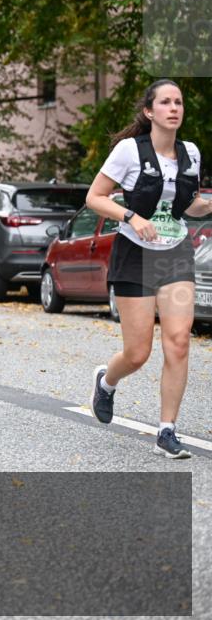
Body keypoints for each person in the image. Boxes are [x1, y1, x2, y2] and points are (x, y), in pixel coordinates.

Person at [85, 79, 211, 460]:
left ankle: (167, 430)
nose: (174, 108)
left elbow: (188, 207)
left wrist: (206, 205)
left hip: (175, 253)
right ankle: (107, 382)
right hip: (135, 253)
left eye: (179, 102)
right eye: (166, 102)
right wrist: (131, 216)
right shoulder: (128, 151)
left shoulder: (190, 153)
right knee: (137, 352)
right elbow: (94, 197)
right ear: (149, 111)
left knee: (178, 340)